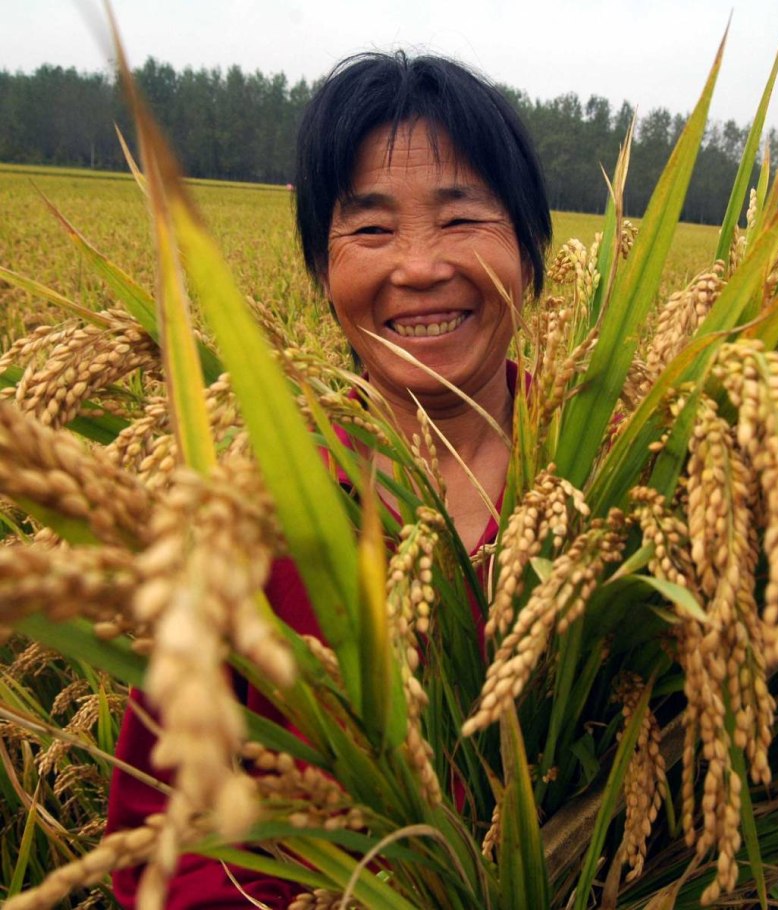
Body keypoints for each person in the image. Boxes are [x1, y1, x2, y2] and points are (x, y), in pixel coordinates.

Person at [107, 50, 551, 908]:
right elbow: (154, 840)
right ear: (323, 268)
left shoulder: (619, 475)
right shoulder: (247, 514)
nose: (418, 267)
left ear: (529, 246)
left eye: (460, 221)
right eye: (372, 230)